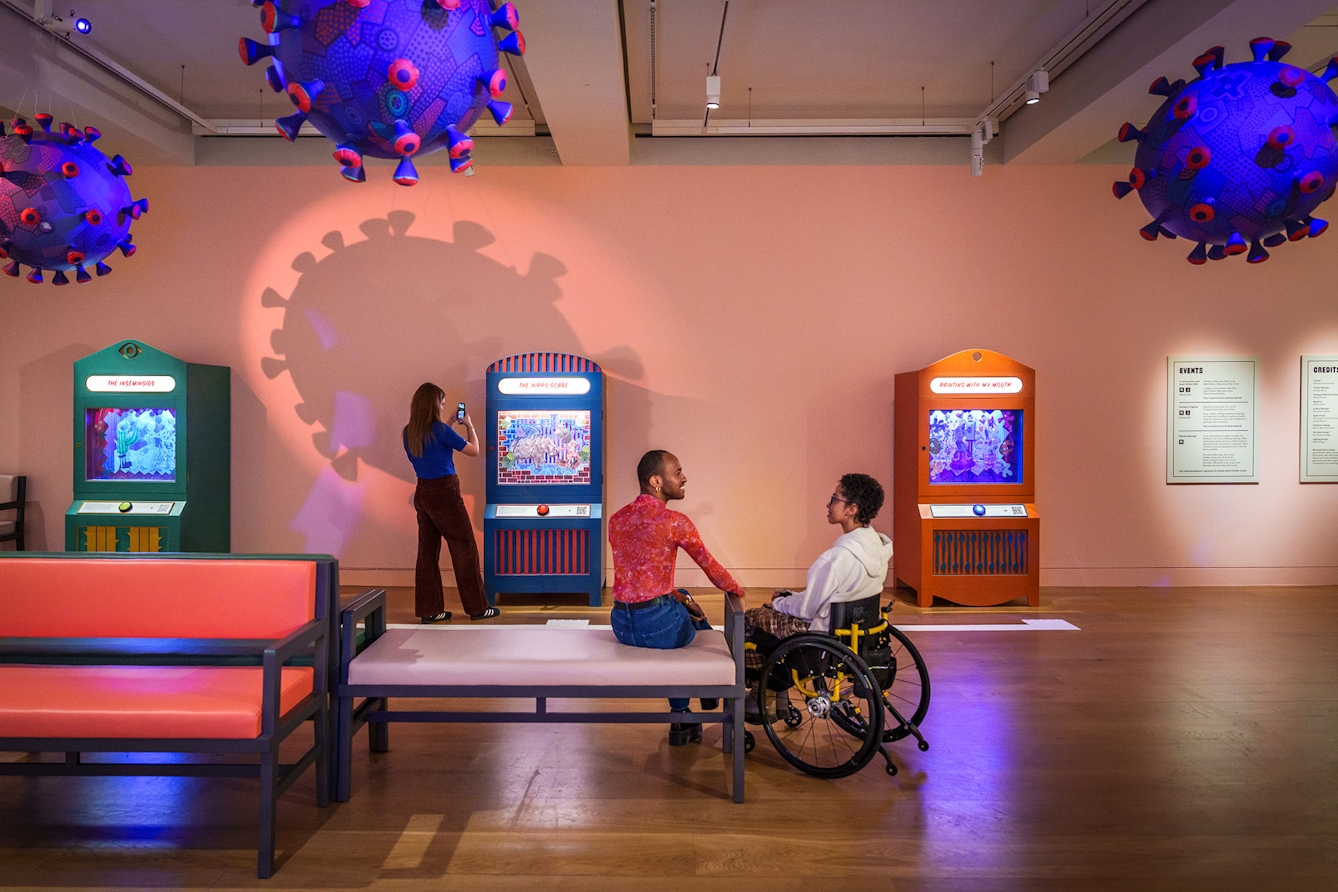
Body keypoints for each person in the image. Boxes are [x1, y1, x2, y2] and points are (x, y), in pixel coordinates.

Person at [609, 449, 747, 745]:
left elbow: (637, 579)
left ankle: (683, 717)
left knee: (681, 596)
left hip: (621, 625)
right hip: (656, 628)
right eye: (678, 472)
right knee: (692, 625)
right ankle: (710, 693)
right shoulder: (674, 521)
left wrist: (682, 600)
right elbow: (712, 569)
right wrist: (738, 590)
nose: (684, 478)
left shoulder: (617, 519)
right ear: (656, 481)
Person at [743, 473, 892, 685]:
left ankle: (761, 693)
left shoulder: (835, 559)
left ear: (852, 509)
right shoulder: (878, 547)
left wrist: (781, 602)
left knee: (749, 619)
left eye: (834, 498)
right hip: (855, 632)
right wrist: (790, 598)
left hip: (821, 634)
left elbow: (807, 610)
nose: (828, 504)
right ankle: (775, 697)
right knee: (775, 609)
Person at [402, 383, 499, 623]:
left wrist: (448, 423)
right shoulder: (440, 432)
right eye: (442, 403)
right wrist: (469, 425)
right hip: (445, 492)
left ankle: (430, 610)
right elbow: (474, 450)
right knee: (464, 547)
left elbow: (433, 442)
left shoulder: (409, 431)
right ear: (434, 404)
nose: (444, 406)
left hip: (423, 492)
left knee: (427, 552)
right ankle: (477, 608)